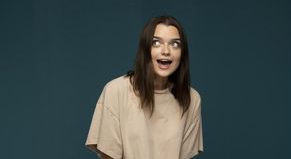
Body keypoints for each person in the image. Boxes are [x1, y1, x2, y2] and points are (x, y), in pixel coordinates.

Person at [86, 16, 203, 159]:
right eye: (156, 43)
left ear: (182, 53)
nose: (166, 51)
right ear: (145, 48)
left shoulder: (191, 98)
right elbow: (108, 155)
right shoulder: (116, 91)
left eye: (175, 44)